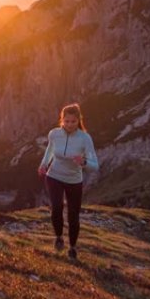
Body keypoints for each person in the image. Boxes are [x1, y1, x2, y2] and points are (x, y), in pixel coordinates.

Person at [38, 103, 99, 259]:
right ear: (62, 120)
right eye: (66, 121)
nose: (70, 124)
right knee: (56, 207)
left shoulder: (85, 138)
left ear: (78, 120)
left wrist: (83, 162)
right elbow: (50, 149)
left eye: (73, 121)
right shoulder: (54, 134)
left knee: (73, 216)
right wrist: (44, 164)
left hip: (74, 180)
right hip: (54, 176)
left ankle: (72, 247)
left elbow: (95, 165)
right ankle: (59, 237)